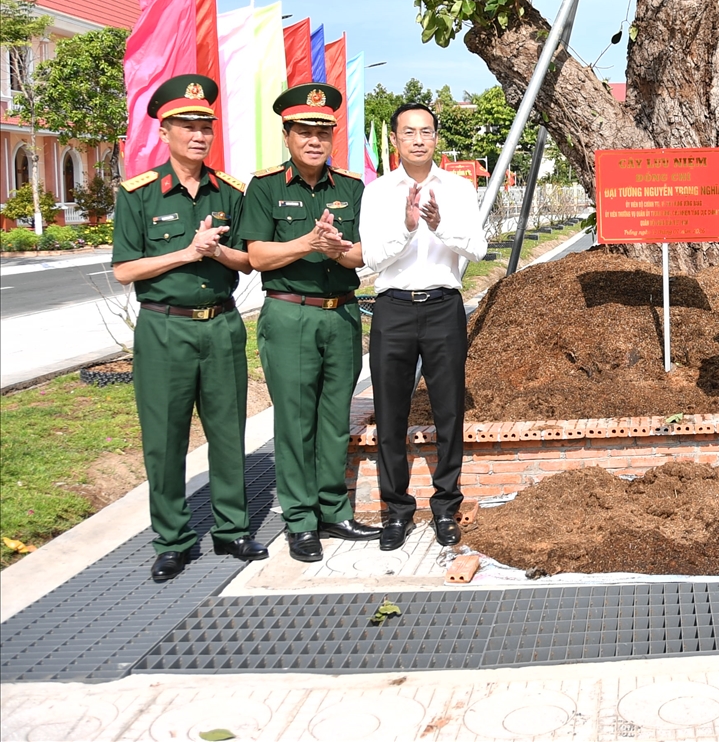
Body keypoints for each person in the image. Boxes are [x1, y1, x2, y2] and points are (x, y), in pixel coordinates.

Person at [112, 76, 264, 583]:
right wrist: (185, 252)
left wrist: (217, 251)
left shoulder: (230, 192)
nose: (198, 135)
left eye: (205, 126)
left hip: (220, 325)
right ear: (164, 131)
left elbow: (246, 260)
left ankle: (232, 528)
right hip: (164, 329)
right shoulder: (139, 194)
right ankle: (173, 539)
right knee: (165, 438)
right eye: (187, 126)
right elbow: (124, 270)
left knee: (227, 430)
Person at [241, 84, 379, 562]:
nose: (314, 140)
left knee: (333, 419)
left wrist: (338, 248)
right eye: (305, 131)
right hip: (290, 314)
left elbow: (363, 253)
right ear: (287, 135)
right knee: (296, 422)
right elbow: (256, 254)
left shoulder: (351, 188)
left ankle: (334, 509)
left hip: (341, 312)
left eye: (323, 132)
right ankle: (300, 520)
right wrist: (307, 243)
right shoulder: (265, 188)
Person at [360, 102, 487, 550]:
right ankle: (396, 510)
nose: (418, 139)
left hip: (443, 307)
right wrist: (409, 227)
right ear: (395, 139)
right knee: (390, 412)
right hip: (392, 308)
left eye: (426, 131)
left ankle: (446, 506)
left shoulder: (458, 188)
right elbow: (372, 258)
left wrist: (439, 224)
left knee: (448, 411)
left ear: (436, 138)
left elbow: (478, 248)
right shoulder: (376, 191)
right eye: (409, 132)